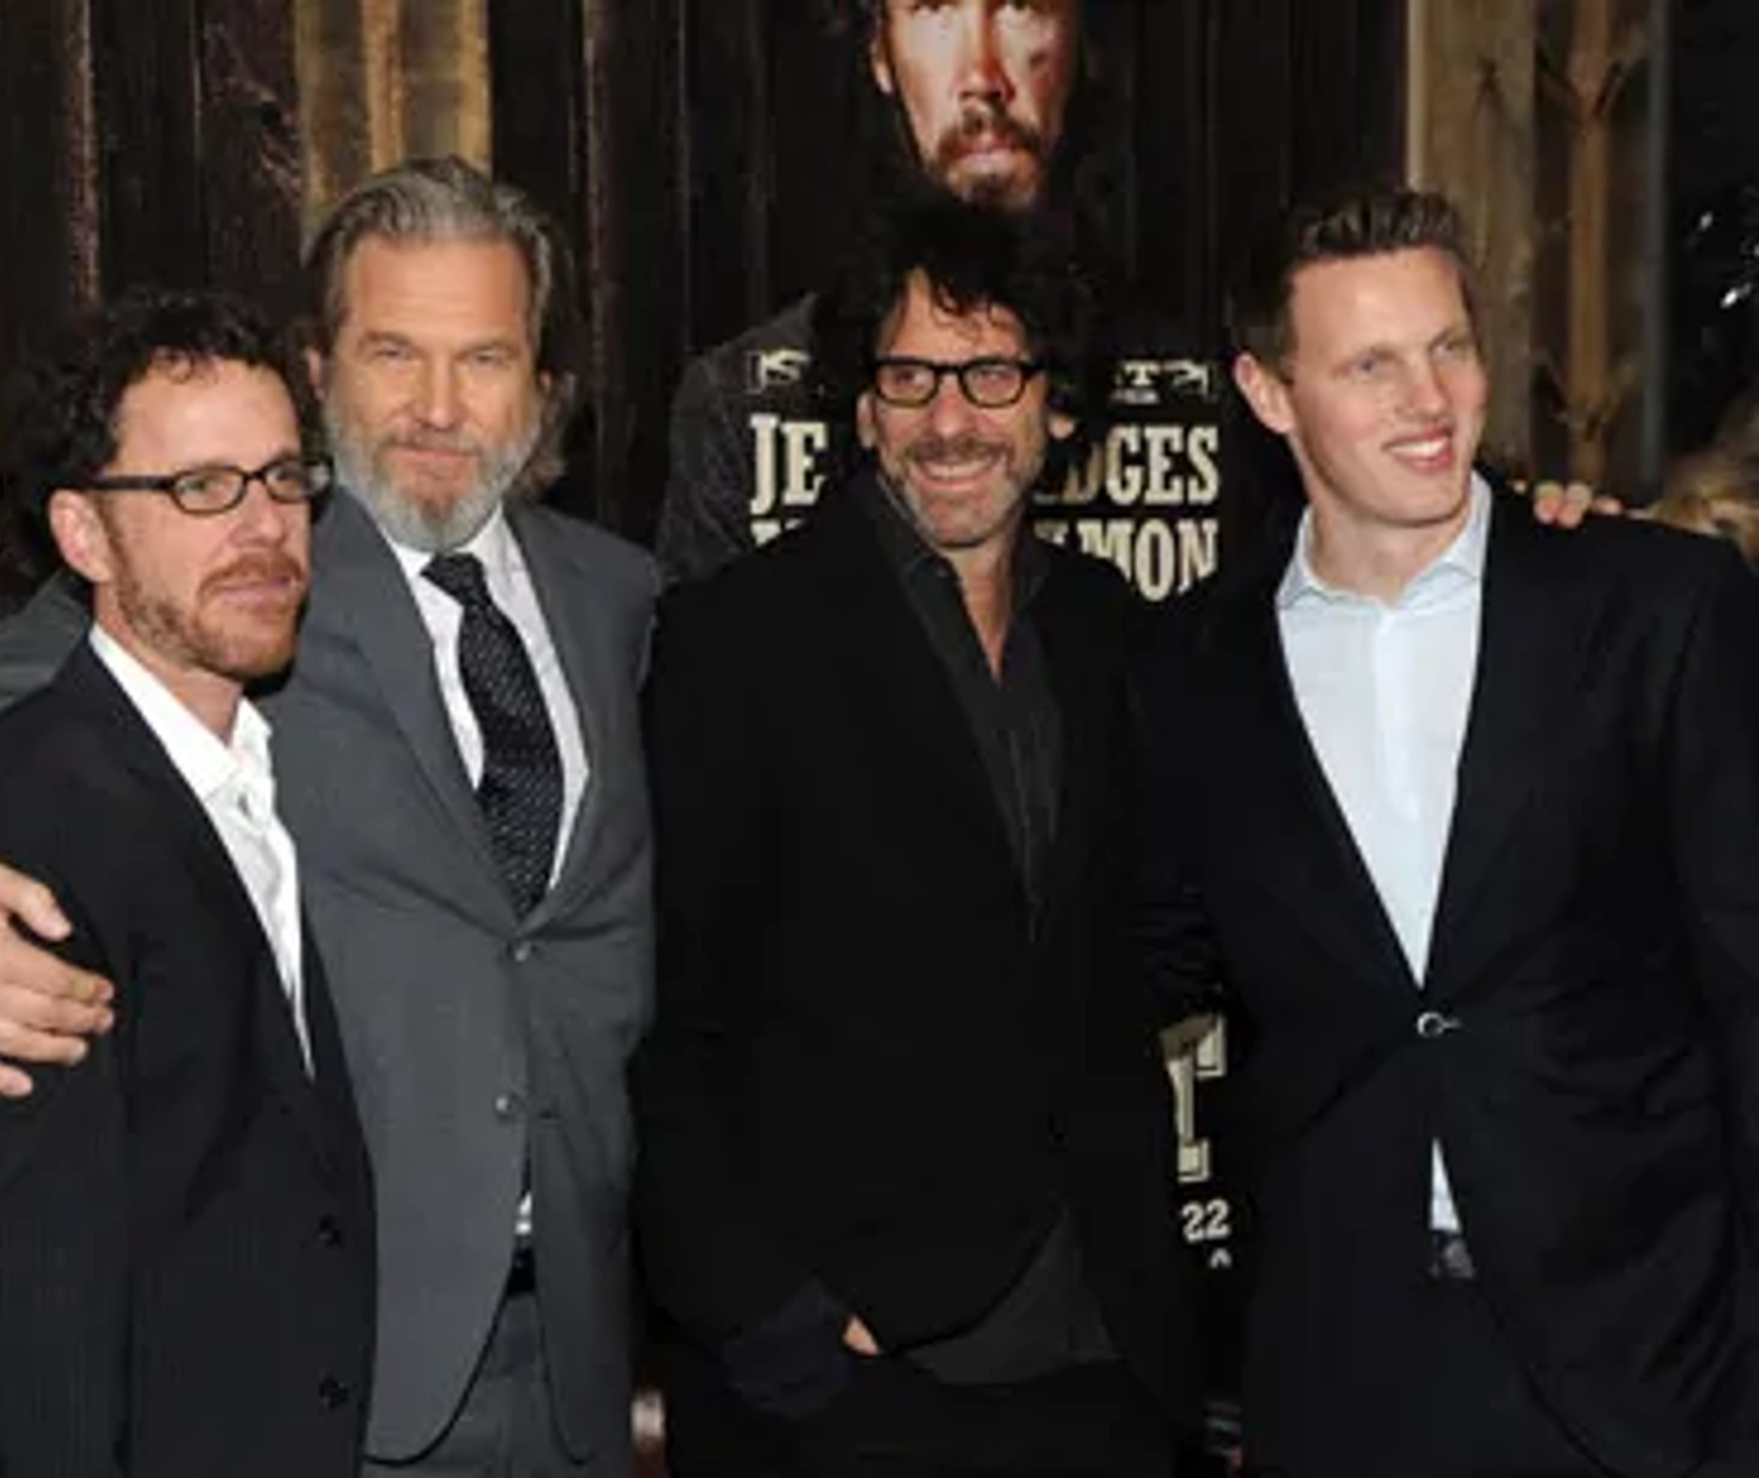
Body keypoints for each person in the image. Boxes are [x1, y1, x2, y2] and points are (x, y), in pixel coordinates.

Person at [0, 156, 657, 1477]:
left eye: (486, 357)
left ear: (544, 384)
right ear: (323, 366)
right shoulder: (235, 564)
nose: (440, 408)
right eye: (395, 351)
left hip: (576, 1361)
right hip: (337, 1372)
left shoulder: (625, 601)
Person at [1130, 186, 1759, 1477]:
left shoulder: (1654, 607)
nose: (1430, 399)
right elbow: (1140, 962)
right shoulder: (1193, 667)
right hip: (1344, 1366)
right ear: (1267, 392)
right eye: (1371, 364)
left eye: (1450, 346)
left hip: (1644, 1359)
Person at [635, 196, 1197, 1478]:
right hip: (855, 1381)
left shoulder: (1114, 630)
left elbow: (1158, 936)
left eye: (992, 372)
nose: (950, 420)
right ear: (863, 405)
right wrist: (774, 1320)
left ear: (1059, 406)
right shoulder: (736, 644)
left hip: (1108, 1357)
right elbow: (663, 1026)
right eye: (910, 375)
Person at [0, 286, 374, 1476]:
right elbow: (31, 1295)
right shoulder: (33, 817)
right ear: (84, 535)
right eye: (199, 488)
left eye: (284, 479)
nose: (263, 527)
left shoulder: (241, 764)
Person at [653, 0, 1117, 583]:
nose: (982, 78)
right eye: (935, 9)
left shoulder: (1209, 392)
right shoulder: (744, 404)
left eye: (1021, 7)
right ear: (879, 48)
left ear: (1081, 36)